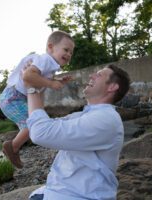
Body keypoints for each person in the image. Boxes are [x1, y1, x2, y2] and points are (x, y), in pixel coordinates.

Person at [23, 64, 130, 200]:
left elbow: (40, 133)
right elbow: (46, 124)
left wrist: (31, 88)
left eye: (99, 75)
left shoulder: (105, 119)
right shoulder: (86, 115)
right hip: (58, 191)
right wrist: (39, 84)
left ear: (112, 87)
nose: (91, 76)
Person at [0, 30, 75, 168]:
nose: (68, 54)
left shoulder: (50, 66)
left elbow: (39, 80)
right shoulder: (45, 59)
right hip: (13, 97)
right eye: (66, 50)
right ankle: (12, 147)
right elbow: (28, 76)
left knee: (32, 124)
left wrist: (57, 80)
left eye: (71, 52)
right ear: (51, 47)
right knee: (33, 124)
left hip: (17, 97)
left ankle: (13, 148)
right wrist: (52, 84)